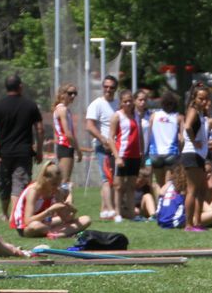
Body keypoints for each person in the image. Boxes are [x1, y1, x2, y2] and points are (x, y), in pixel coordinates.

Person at [0, 73, 45, 220]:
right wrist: (39, 151)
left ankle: (6, 213)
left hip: (4, 153)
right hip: (24, 152)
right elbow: (39, 129)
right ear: (20, 87)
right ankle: (15, 214)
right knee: (20, 182)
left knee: (5, 183)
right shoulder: (31, 105)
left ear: (6, 88)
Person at [9, 161, 92, 238]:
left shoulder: (56, 191)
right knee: (35, 225)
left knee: (86, 219)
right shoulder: (33, 191)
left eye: (59, 184)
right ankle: (59, 233)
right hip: (26, 226)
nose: (56, 187)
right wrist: (49, 211)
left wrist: (73, 210)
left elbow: (66, 219)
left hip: (45, 223)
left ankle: (55, 233)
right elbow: (28, 221)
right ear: (44, 180)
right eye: (53, 184)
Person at [85, 75, 120, 219]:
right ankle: (111, 210)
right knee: (107, 179)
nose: (108, 90)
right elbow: (90, 126)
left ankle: (104, 210)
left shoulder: (118, 103)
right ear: (102, 87)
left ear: (116, 88)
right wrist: (103, 139)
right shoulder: (96, 104)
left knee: (113, 180)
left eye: (112, 87)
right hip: (103, 147)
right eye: (106, 86)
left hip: (117, 147)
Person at [181, 83, 212, 231]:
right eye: (201, 99)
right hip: (191, 153)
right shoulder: (193, 110)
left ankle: (198, 222)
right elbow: (187, 126)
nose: (204, 102)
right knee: (192, 190)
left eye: (206, 99)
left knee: (201, 190)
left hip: (199, 154)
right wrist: (194, 141)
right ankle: (188, 224)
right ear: (194, 98)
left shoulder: (201, 113)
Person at [108, 89, 143, 221]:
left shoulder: (136, 116)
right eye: (125, 101)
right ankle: (117, 212)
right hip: (122, 154)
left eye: (130, 101)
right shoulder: (117, 116)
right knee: (118, 185)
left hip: (135, 155)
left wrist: (142, 153)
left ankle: (131, 213)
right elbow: (110, 138)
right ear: (121, 103)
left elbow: (140, 137)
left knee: (132, 185)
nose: (128, 104)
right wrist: (117, 157)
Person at [51, 84, 83, 199]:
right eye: (70, 93)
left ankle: (61, 207)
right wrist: (78, 150)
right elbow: (67, 134)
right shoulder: (62, 109)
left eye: (75, 93)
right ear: (62, 94)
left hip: (63, 146)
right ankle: (58, 208)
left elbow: (57, 133)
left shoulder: (63, 109)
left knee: (64, 180)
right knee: (64, 181)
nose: (73, 96)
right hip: (65, 146)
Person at [148, 90, 184, 190]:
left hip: (155, 153)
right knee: (168, 184)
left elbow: (149, 135)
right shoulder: (179, 117)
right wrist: (181, 153)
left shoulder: (153, 116)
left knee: (159, 185)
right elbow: (182, 139)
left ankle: (159, 204)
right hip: (171, 153)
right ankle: (166, 204)